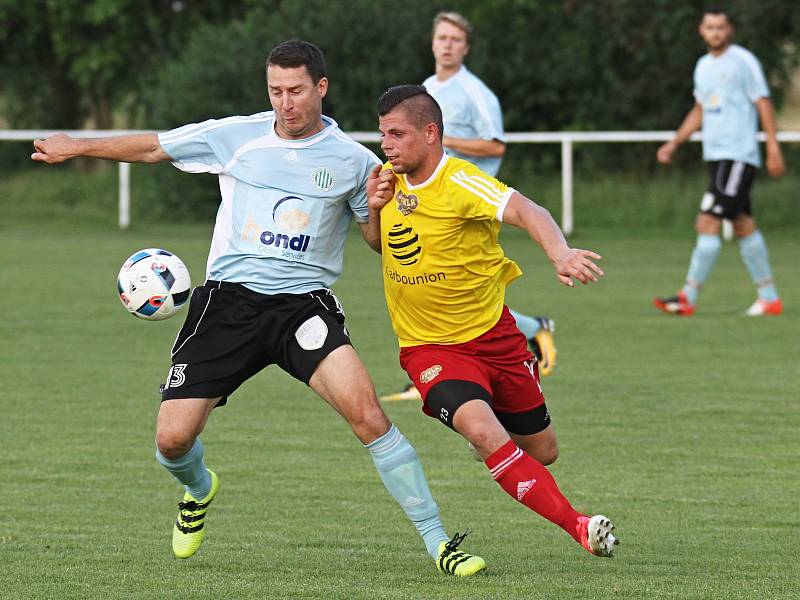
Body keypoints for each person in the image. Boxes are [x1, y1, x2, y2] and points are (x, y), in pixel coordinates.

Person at [31, 40, 486, 576]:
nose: (285, 103)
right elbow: (154, 147)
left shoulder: (355, 161)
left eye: (295, 90)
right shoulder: (237, 136)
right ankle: (199, 489)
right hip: (228, 304)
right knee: (172, 439)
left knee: (370, 417)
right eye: (275, 91)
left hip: (302, 308)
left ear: (321, 87)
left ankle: (439, 542)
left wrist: (379, 212)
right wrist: (76, 147)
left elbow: (376, 242)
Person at [370, 84, 618, 558]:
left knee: (542, 451)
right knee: (487, 434)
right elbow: (378, 244)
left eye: (396, 134)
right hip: (429, 348)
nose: (386, 145)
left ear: (430, 133)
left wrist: (559, 252)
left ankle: (491, 444)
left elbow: (528, 209)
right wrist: (374, 210)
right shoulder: (386, 179)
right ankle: (579, 526)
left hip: (495, 338)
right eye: (383, 135)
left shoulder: (461, 181)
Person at [381, 12, 555, 404]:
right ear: (432, 43)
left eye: (455, 40)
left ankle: (515, 343)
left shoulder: (475, 92)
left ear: (466, 47)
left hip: (466, 204)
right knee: (426, 281)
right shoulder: (424, 89)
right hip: (428, 202)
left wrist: (442, 141)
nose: (447, 45)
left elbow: (496, 145)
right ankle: (438, 369)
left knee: (466, 288)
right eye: (441, 38)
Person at [654, 7, 785, 317]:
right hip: (716, 156)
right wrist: (675, 142)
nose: (715, 32)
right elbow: (700, 109)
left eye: (721, 27)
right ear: (702, 30)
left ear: (730, 30)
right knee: (742, 224)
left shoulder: (743, 61)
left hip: (738, 154)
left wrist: (773, 148)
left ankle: (687, 296)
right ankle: (769, 297)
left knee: (707, 221)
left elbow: (763, 102)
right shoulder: (702, 66)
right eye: (710, 27)